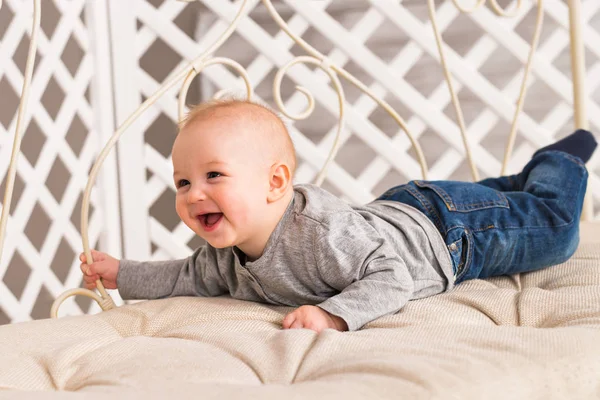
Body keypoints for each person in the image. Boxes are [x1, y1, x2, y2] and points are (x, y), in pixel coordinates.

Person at [80, 99, 597, 333]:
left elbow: (392, 276)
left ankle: (562, 159)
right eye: (183, 182)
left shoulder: (318, 232)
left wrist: (332, 315)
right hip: (410, 209)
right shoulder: (227, 256)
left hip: (450, 233)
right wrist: (120, 272)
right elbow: (181, 276)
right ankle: (514, 186)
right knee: (504, 202)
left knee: (555, 231)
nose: (194, 195)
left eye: (213, 176)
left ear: (275, 183)